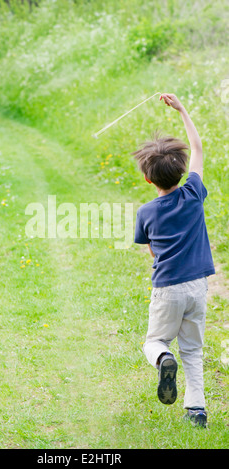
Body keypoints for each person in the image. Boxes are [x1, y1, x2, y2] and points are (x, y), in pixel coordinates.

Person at [133, 93, 215, 428]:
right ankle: (197, 412)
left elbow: (150, 249)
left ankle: (164, 358)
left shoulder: (146, 212)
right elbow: (197, 148)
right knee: (193, 351)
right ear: (182, 171)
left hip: (167, 288)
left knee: (155, 341)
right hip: (198, 286)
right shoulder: (194, 192)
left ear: (147, 179)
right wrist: (182, 110)